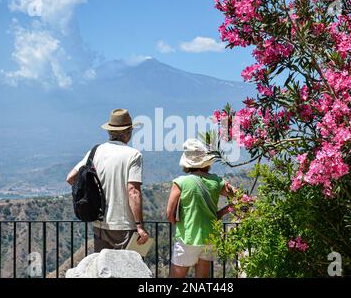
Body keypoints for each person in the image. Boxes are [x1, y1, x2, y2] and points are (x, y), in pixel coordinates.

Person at [66, 109, 149, 252]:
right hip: (124, 225)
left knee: (104, 270)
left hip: (100, 224)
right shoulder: (133, 155)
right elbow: (133, 191)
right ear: (128, 132)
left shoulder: (95, 151)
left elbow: (71, 178)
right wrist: (139, 226)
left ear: (109, 132)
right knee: (128, 270)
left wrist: (93, 194)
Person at [166, 138, 235, 278]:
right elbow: (239, 198)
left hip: (188, 237)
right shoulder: (217, 181)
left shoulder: (180, 182)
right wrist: (221, 213)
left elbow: (169, 214)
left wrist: (178, 223)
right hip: (210, 237)